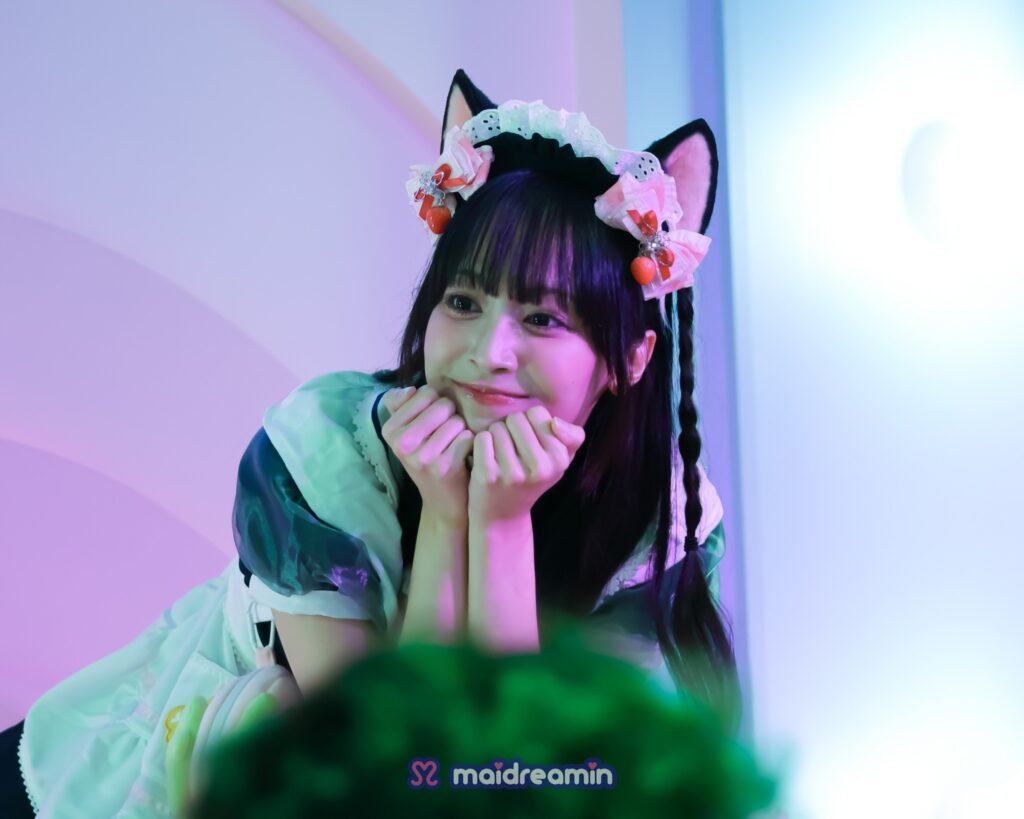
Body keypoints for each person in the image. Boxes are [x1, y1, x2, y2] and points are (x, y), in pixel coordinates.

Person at [2, 68, 738, 817]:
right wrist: (447, 514)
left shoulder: (659, 519)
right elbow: (387, 777)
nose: (489, 351)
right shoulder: (323, 455)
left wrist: (501, 523)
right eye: (463, 301)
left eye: (543, 319)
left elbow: (517, 781)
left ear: (630, 359)